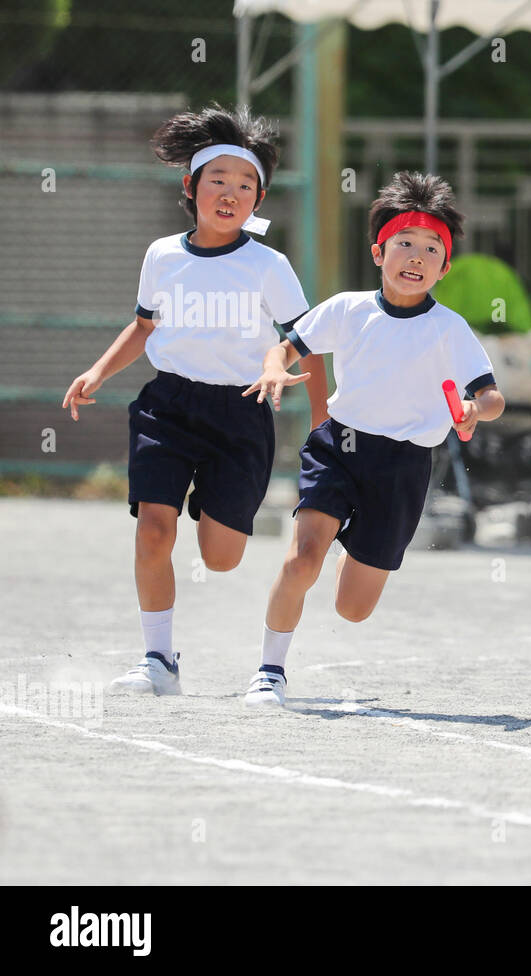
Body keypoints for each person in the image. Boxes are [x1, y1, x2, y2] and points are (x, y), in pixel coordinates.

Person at [62, 105, 311, 696]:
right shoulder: (162, 255)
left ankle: (214, 510)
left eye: (245, 184)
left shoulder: (268, 265)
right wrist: (97, 371)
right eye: (218, 181)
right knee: (153, 529)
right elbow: (144, 327)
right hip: (167, 406)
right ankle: (158, 660)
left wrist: (299, 386)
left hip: (240, 411)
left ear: (260, 197)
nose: (231, 193)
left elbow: (305, 339)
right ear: (190, 186)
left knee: (221, 556)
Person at [240, 172, 505, 707]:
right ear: (379, 253)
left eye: (432, 248)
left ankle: (352, 548)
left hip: (404, 467)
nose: (417, 255)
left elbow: (492, 395)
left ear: (444, 266)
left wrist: (478, 409)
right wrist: (272, 368)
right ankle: (270, 670)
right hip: (339, 447)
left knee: (353, 609)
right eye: (405, 243)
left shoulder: (450, 329)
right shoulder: (348, 309)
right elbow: (285, 347)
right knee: (301, 559)